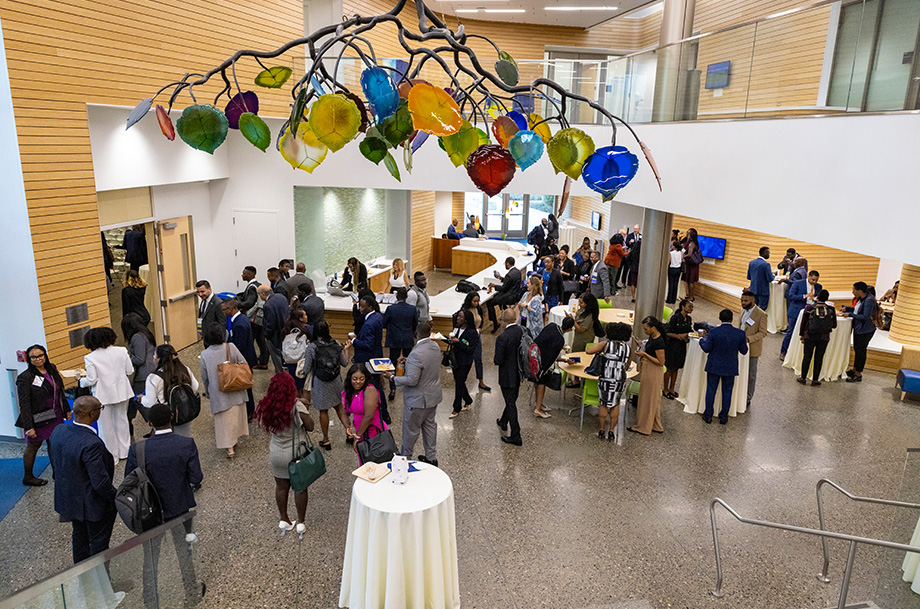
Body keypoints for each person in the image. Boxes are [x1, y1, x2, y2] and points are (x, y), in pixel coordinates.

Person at [126, 403, 203, 608]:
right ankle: (191, 592)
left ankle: (151, 601)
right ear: (171, 417)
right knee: (183, 552)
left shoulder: (137, 449)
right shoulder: (186, 444)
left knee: (150, 558)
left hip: (148, 511)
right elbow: (196, 477)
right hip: (179, 507)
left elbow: (129, 480)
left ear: (149, 423)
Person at [50, 396, 117, 564]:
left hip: (69, 500)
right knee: (98, 544)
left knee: (79, 538)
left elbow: (56, 464)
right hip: (92, 505)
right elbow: (100, 482)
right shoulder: (91, 443)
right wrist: (115, 497)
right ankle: (101, 584)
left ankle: (82, 576)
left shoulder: (59, 431)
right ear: (93, 414)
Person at [253, 373, 314, 537]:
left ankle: (284, 519)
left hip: (276, 453)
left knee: (281, 487)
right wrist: (303, 408)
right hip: (296, 453)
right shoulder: (295, 406)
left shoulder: (267, 405)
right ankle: (300, 523)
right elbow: (310, 427)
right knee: (300, 488)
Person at [384, 321, 442, 464]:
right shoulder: (435, 346)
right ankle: (431, 457)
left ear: (416, 334)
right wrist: (408, 361)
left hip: (417, 400)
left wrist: (392, 377)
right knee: (430, 427)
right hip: (433, 397)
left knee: (411, 431)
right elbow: (426, 363)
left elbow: (412, 380)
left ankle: (406, 459)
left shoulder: (416, 353)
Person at [16, 344, 71, 486]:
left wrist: (66, 409)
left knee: (54, 444)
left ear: (45, 355)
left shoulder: (51, 368)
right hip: (38, 419)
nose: (38, 359)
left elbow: (60, 391)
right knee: (33, 447)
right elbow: (24, 404)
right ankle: (28, 477)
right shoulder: (25, 378)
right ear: (29, 359)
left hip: (55, 414)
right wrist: (29, 427)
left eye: (40, 355)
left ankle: (57, 472)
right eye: (33, 357)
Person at [78, 327, 134, 460]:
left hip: (103, 394)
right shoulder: (122, 350)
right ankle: (124, 452)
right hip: (121, 392)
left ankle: (111, 456)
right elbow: (130, 370)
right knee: (122, 421)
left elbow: (91, 379)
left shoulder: (90, 357)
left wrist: (80, 380)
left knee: (106, 426)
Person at [199, 324, 250, 458]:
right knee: (236, 415)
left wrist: (207, 390)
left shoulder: (204, 354)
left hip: (218, 392)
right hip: (236, 387)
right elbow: (243, 362)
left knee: (223, 420)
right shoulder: (230, 347)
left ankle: (229, 447)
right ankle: (236, 439)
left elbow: (204, 377)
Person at [301, 320, 352, 450]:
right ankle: (349, 433)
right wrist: (346, 350)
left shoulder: (312, 347)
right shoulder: (335, 343)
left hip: (320, 382)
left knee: (323, 410)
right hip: (335, 381)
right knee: (339, 407)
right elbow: (345, 363)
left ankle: (326, 440)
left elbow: (306, 369)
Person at [699, 309, 749, 425]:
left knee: (711, 390)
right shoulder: (740, 333)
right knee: (727, 392)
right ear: (732, 319)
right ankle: (723, 417)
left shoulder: (714, 332)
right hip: (730, 367)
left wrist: (702, 339)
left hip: (714, 365)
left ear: (720, 318)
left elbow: (706, 348)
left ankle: (708, 415)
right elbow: (744, 351)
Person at [586, 322, 632, 441]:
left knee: (603, 403)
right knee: (615, 403)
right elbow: (627, 365)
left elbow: (589, 351)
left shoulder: (606, 344)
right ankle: (611, 431)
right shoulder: (628, 348)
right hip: (619, 379)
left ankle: (602, 429)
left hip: (606, 377)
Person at [349, 294, 390, 424]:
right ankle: (384, 414)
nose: (360, 309)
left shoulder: (369, 324)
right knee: (377, 387)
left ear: (370, 307)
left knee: (373, 387)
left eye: (362, 306)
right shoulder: (377, 317)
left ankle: (378, 414)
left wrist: (355, 341)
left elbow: (368, 344)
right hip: (376, 356)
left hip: (367, 360)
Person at [142, 344, 200, 437]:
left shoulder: (153, 378)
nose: (153, 357)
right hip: (182, 411)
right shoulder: (184, 369)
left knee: (168, 444)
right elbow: (195, 386)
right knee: (183, 441)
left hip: (164, 417)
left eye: (155, 355)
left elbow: (150, 402)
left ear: (159, 359)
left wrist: (142, 399)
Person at [342, 364, 388, 465]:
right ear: (350, 378)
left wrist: (358, 436)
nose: (358, 382)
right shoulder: (349, 391)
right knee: (365, 461)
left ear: (366, 378)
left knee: (376, 463)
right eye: (355, 379)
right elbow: (343, 410)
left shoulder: (370, 390)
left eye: (361, 379)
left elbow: (369, 416)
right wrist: (347, 425)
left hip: (373, 432)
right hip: (360, 431)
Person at [629, 316, 667, 435]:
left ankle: (644, 426)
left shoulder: (659, 342)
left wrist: (644, 354)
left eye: (646, 329)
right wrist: (642, 345)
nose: (645, 331)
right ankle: (655, 424)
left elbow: (661, 362)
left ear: (653, 328)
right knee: (652, 398)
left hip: (653, 370)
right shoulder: (653, 336)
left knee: (647, 398)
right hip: (649, 368)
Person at [531, 317, 576, 418]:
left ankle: (538, 403)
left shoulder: (552, 326)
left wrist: (560, 347)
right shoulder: (560, 340)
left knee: (537, 382)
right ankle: (537, 409)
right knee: (541, 383)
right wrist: (565, 360)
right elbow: (552, 358)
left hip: (535, 357)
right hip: (543, 364)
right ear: (569, 329)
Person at [221, 298, 257, 418]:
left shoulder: (239, 324)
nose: (223, 312)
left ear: (231, 309)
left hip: (243, 360)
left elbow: (239, 346)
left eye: (224, 310)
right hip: (245, 358)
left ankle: (249, 412)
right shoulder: (240, 318)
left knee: (245, 387)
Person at [122, 312, 155, 439]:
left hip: (142, 375)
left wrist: (125, 359)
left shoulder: (137, 337)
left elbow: (139, 359)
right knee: (134, 401)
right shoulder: (146, 333)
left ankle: (155, 427)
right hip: (148, 372)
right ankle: (129, 425)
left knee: (140, 402)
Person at [382, 287, 419, 400]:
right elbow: (415, 324)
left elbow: (384, 323)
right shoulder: (412, 309)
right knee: (408, 361)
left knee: (392, 362)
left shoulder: (391, 309)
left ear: (396, 296)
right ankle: (409, 384)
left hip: (394, 338)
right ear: (406, 297)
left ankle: (393, 388)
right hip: (407, 338)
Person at [494, 309, 525, 446]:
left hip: (507, 375)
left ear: (504, 320)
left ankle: (516, 435)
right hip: (519, 373)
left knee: (511, 403)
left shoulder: (502, 337)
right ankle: (503, 421)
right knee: (511, 399)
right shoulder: (522, 331)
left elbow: (498, 360)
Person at [797, 290, 837, 387]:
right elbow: (834, 325)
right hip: (824, 337)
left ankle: (803, 378)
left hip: (810, 335)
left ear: (817, 297)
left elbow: (803, 323)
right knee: (819, 358)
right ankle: (815, 380)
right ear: (827, 298)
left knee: (807, 356)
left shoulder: (809, 308)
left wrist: (802, 334)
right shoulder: (831, 309)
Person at [841, 281, 878, 383]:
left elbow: (865, 316)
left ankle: (858, 374)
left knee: (861, 351)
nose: (852, 292)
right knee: (857, 349)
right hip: (859, 329)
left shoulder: (869, 300)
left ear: (860, 291)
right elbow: (858, 310)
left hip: (865, 330)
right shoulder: (862, 298)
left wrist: (850, 315)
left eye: (854, 290)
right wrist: (848, 309)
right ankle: (854, 369)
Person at [781, 270, 822, 360]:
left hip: (810, 313)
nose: (814, 282)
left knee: (806, 334)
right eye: (813, 280)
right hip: (796, 311)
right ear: (808, 276)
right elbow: (791, 296)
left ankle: (799, 355)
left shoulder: (819, 287)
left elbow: (820, 298)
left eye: (816, 280)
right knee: (791, 332)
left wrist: (817, 299)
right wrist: (804, 296)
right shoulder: (798, 283)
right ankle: (783, 352)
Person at [447, 309, 479, 419]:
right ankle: (468, 400)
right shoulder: (456, 328)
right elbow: (454, 341)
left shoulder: (472, 333)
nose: (458, 318)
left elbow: (470, 350)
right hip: (456, 359)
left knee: (459, 384)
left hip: (465, 362)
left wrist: (458, 343)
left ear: (466, 320)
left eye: (460, 317)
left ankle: (456, 408)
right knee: (459, 381)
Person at [738, 290, 767, 408]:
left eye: (745, 301)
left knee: (751, 374)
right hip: (740, 347)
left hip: (752, 348)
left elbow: (763, 332)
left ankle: (748, 397)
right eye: (741, 300)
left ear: (752, 300)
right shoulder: (741, 311)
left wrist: (749, 339)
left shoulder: (761, 314)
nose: (743, 303)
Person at [237, 265, 268, 370]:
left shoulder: (251, 287)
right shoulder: (257, 284)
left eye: (244, 273)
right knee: (261, 340)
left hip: (252, 318)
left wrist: (237, 304)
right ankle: (263, 361)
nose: (242, 275)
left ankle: (253, 361)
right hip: (259, 318)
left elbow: (250, 302)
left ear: (250, 275)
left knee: (251, 341)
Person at [461, 291, 491, 392]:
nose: (476, 303)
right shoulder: (464, 311)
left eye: (478, 301)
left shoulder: (478, 309)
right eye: (474, 301)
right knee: (466, 360)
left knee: (478, 359)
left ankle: (481, 381)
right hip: (468, 338)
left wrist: (480, 328)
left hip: (477, 337)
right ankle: (462, 380)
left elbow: (481, 320)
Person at [663, 299, 693, 399]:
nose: (691, 308)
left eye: (692, 307)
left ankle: (672, 388)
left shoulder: (689, 319)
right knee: (669, 368)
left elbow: (690, 331)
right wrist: (679, 336)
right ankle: (665, 389)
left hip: (681, 347)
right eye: (689, 306)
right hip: (672, 346)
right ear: (683, 307)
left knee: (676, 368)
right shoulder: (675, 318)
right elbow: (667, 332)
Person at [485, 257, 522, 332]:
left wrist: (494, 285)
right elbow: (509, 282)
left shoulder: (509, 275)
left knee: (489, 303)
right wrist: (500, 278)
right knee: (496, 296)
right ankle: (505, 309)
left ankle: (495, 324)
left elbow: (504, 288)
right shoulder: (517, 272)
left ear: (508, 264)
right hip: (515, 295)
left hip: (508, 297)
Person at [260, 284, 289, 374]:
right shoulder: (281, 297)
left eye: (259, 294)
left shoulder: (268, 305)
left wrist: (266, 336)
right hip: (285, 331)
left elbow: (270, 324)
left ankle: (280, 378)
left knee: (276, 359)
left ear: (264, 294)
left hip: (274, 336)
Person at [282, 308, 310, 395]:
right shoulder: (305, 330)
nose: (307, 316)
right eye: (305, 315)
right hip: (301, 362)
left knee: (293, 386)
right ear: (300, 318)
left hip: (290, 362)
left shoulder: (287, 329)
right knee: (302, 385)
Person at [196, 280, 225, 347]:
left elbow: (222, 323)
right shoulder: (204, 300)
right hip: (206, 336)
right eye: (198, 292)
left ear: (209, 289)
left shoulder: (218, 303)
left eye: (202, 291)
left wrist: (220, 341)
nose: (200, 294)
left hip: (214, 340)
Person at [683, 228, 700, 301]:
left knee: (691, 280)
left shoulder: (691, 243)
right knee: (691, 281)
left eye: (688, 232)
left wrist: (683, 256)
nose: (686, 233)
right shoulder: (692, 242)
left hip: (691, 265)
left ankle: (691, 296)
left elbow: (689, 254)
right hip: (692, 264)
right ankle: (691, 295)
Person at [666, 239, 684, 305]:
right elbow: (682, 259)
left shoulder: (671, 253)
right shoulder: (680, 253)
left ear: (674, 246)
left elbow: (669, 261)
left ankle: (669, 299)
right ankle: (674, 299)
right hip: (678, 269)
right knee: (676, 284)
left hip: (672, 268)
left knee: (671, 284)